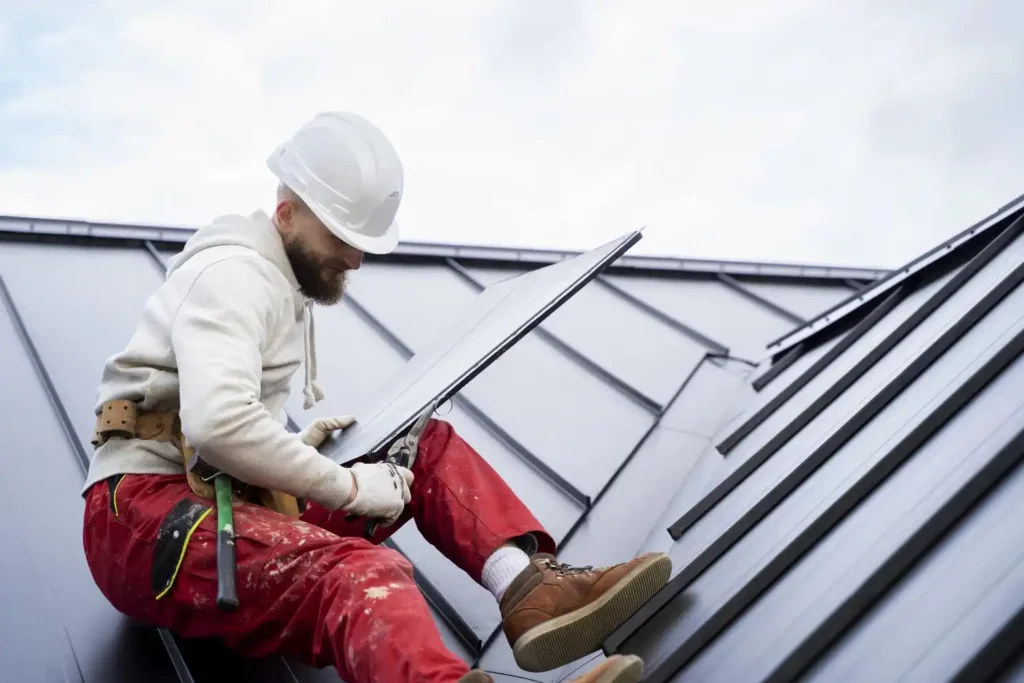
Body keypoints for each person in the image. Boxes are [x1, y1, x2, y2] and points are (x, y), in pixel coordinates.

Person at [81, 111, 671, 683]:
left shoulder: (275, 282)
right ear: (286, 213)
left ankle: (528, 588)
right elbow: (218, 426)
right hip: (143, 520)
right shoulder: (235, 275)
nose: (356, 257)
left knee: (422, 445)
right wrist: (345, 484)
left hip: (211, 501)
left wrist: (292, 451)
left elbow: (214, 426)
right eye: (342, 236)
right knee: (358, 573)